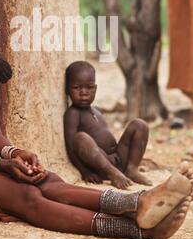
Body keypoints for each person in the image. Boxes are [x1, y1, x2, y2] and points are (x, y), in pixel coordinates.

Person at [0, 0, 193, 239]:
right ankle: (140, 230)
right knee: (28, 196)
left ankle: (137, 202)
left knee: (48, 180)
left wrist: (15, 153)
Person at [64, 61, 152, 189]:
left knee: (139, 124)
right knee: (81, 138)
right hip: (101, 164)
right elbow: (72, 147)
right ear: (67, 90)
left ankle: (132, 169)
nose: (84, 92)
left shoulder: (96, 110)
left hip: (118, 157)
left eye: (89, 87)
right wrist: (85, 171)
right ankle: (113, 174)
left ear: (95, 88)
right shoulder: (73, 113)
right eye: (77, 88)